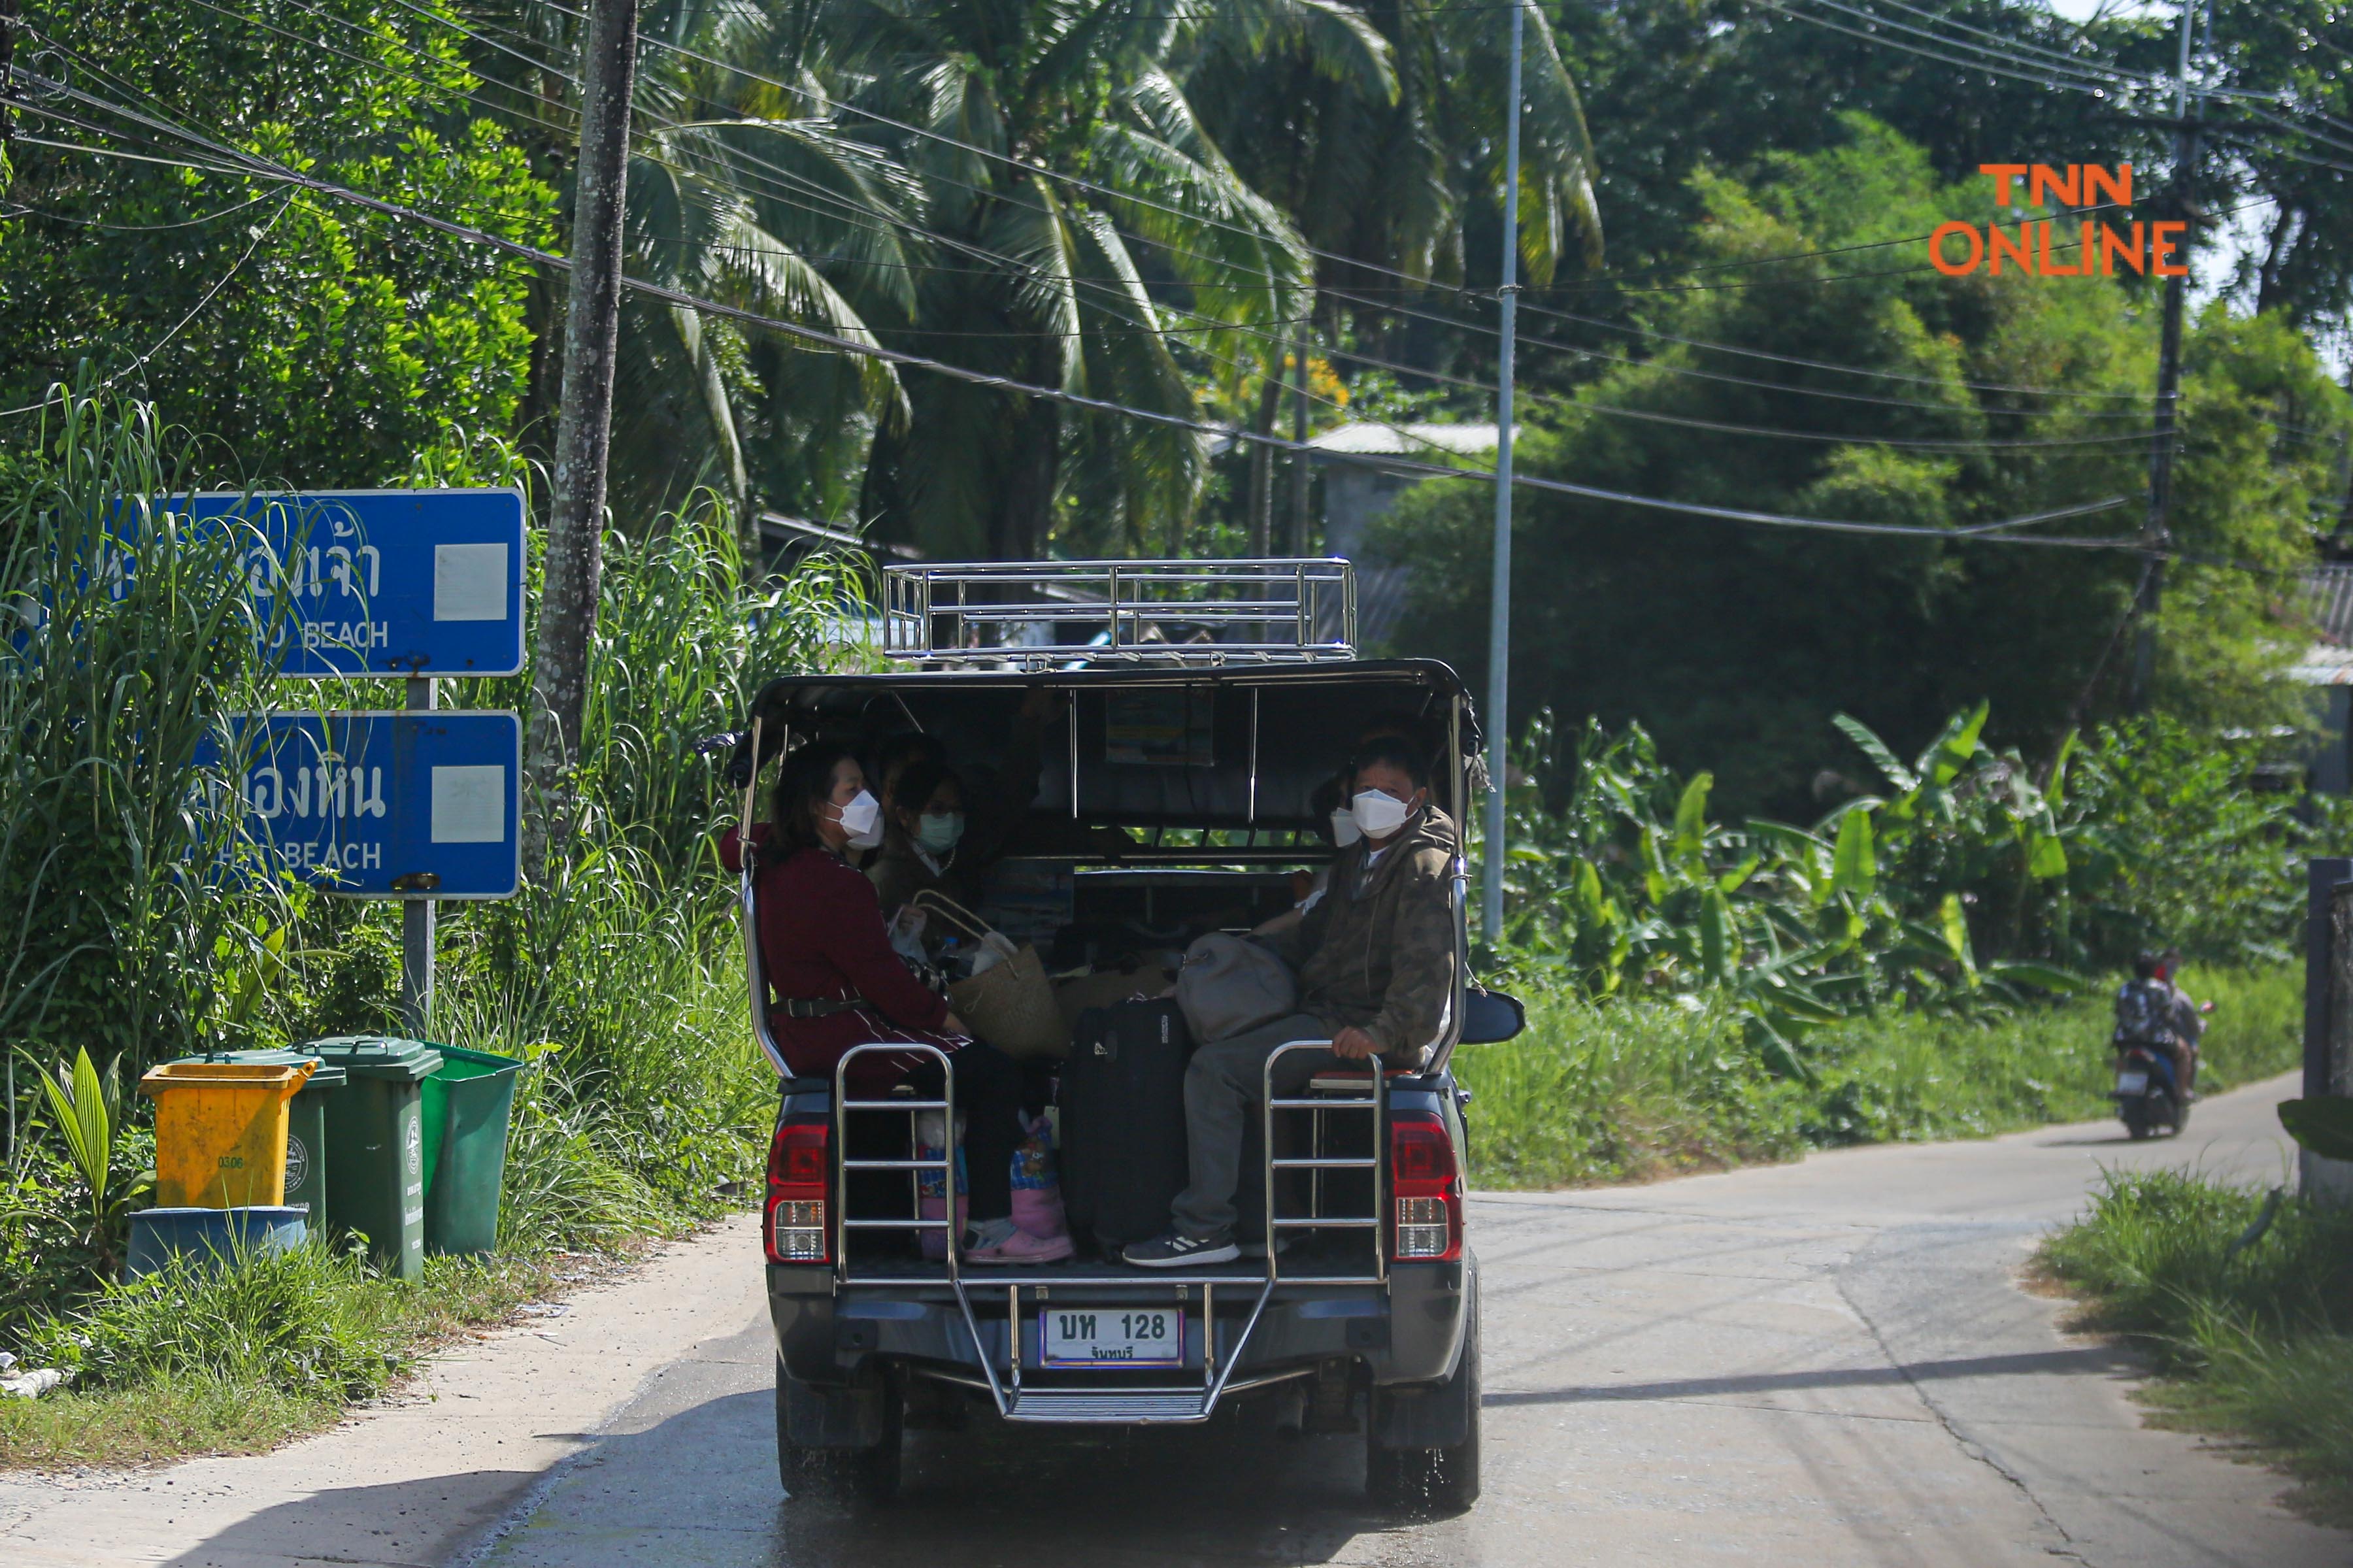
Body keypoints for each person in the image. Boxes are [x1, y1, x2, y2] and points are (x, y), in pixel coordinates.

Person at [719, 742, 1071, 1264]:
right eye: (851, 789)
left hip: (807, 1030)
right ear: (819, 806)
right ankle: (990, 1231)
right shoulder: (838, 884)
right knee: (994, 1072)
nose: (866, 800)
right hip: (846, 1033)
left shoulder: (780, 863)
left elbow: (732, 844)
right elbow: (885, 982)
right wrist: (950, 1021)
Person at [1126, 736, 1458, 1267]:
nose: (1374, 798)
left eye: (1389, 791)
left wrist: (1382, 1031)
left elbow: (1427, 968)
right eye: (1366, 788)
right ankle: (1262, 1224)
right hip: (1330, 1015)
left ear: (1416, 799)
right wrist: (1220, 968)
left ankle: (1204, 1228)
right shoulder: (1363, 858)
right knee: (1235, 1050)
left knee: (1216, 1070)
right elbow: (1313, 937)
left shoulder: (1422, 865)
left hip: (1359, 1028)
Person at [2113, 948, 2198, 1102]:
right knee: (2185, 1052)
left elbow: (2118, 1011)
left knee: (2121, 1058)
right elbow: (2170, 1015)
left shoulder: (2125, 989)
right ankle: (2182, 1091)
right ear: (2154, 969)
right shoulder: (2160, 988)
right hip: (2156, 1039)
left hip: (2126, 1038)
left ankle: (2120, 1087)